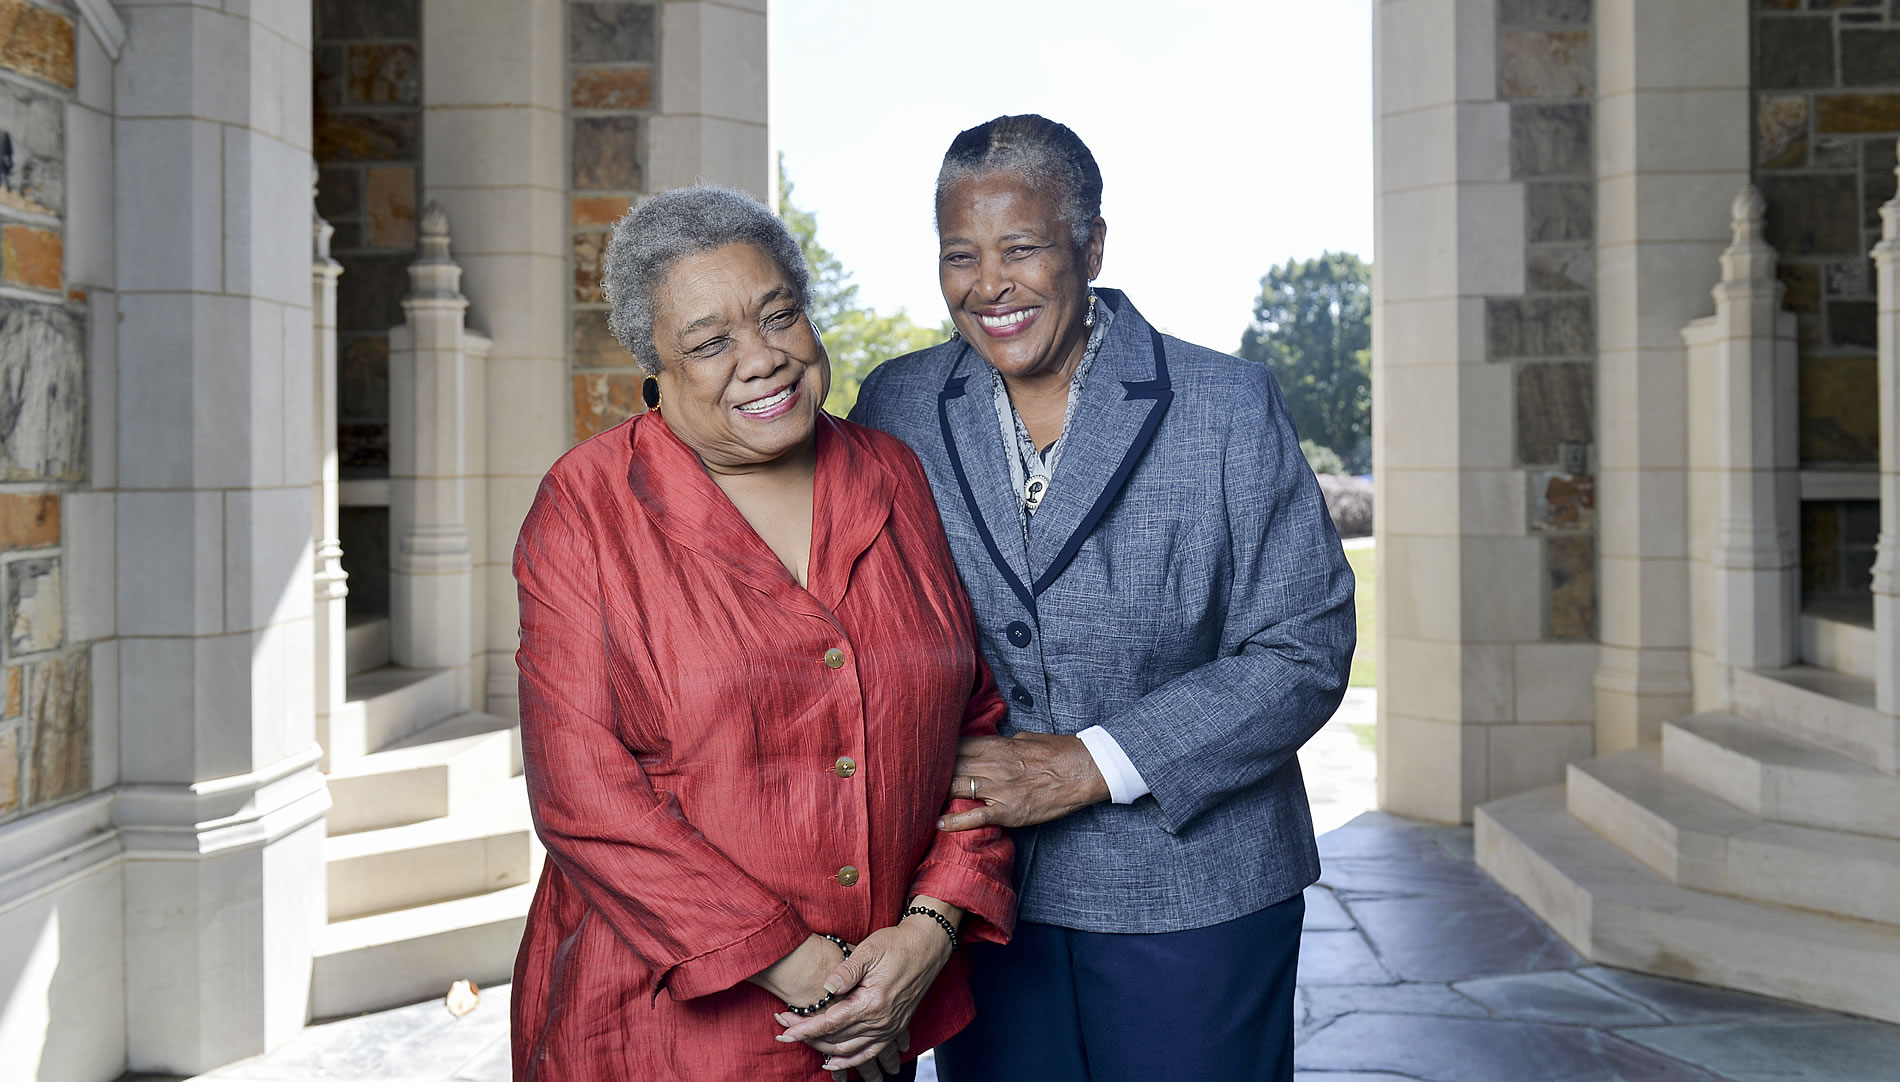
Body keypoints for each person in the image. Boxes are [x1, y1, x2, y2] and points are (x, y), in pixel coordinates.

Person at [830, 115, 1356, 1081]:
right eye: (960, 256)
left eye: (1020, 248)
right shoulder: (894, 406)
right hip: (976, 905)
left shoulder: (1226, 404)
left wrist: (1088, 764)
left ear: (1091, 246)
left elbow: (1304, 649)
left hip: (1197, 896)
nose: (989, 285)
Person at [510, 185, 1016, 1082]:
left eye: (780, 316)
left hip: (880, 1016)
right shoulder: (584, 506)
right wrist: (813, 975)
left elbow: (972, 723)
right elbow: (583, 796)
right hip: (661, 1034)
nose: (762, 359)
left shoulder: (893, 473)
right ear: (655, 367)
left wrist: (930, 928)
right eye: (710, 343)